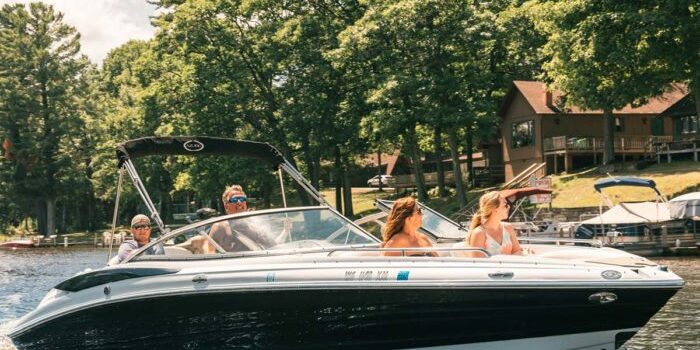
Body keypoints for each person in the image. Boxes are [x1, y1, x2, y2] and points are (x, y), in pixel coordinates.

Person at [466, 191, 523, 257]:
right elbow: (478, 263)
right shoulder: (479, 233)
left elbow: (518, 251)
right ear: (494, 209)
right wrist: (505, 256)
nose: (509, 207)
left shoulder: (508, 227)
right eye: (505, 205)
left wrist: (507, 257)